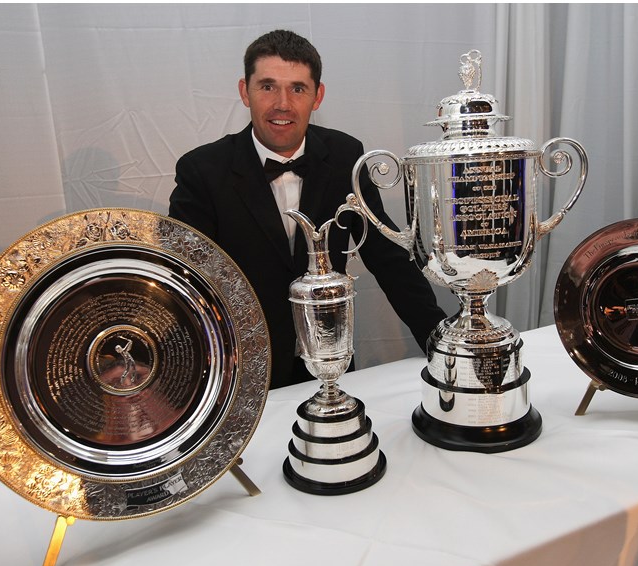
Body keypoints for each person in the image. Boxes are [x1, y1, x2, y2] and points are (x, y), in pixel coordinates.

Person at [169, 29, 446, 389]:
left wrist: (441, 343)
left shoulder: (346, 156)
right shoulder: (202, 170)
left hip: (330, 367)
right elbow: (180, 279)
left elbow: (388, 259)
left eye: (297, 88)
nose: (282, 103)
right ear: (244, 91)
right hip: (239, 374)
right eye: (267, 86)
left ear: (317, 96)